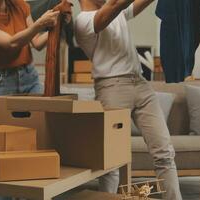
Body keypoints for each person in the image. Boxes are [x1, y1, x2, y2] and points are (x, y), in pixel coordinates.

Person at [75, 0, 182, 199]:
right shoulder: (83, 21)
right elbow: (115, 4)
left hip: (141, 84)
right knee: (111, 162)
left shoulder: (117, 13)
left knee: (165, 154)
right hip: (112, 88)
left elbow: (132, 4)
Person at [0, 0, 65, 199]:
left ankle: (33, 192)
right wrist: (40, 23)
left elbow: (36, 43)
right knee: (3, 148)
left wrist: (59, 24)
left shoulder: (20, 6)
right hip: (2, 82)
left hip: (29, 77)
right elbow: (11, 42)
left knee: (39, 139)